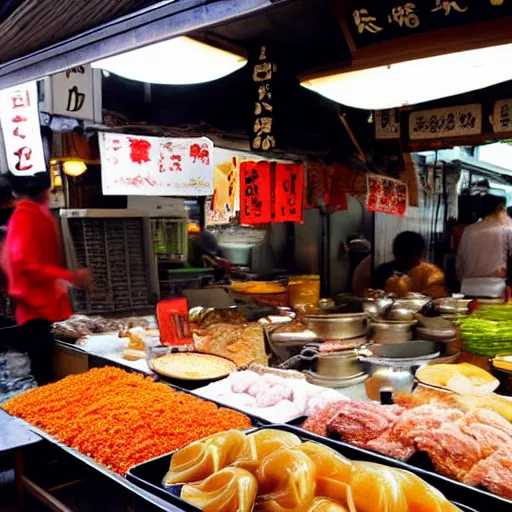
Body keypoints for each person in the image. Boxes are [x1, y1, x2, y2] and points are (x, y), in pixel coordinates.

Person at [2, 172, 91, 385]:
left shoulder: (32, 214)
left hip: (40, 305)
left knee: (43, 362)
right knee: (42, 367)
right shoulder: (26, 216)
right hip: (34, 306)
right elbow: (25, 263)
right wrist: (71, 277)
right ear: (44, 192)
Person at [457, 194, 512, 297]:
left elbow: (460, 262)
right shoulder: (507, 230)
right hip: (496, 289)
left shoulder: (469, 230)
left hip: (467, 288)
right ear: (500, 209)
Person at [373, 231, 447, 297]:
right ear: (395, 252)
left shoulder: (431, 273)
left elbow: (438, 297)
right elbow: (375, 295)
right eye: (401, 253)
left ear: (419, 254)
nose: (403, 258)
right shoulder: (384, 271)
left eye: (408, 255)